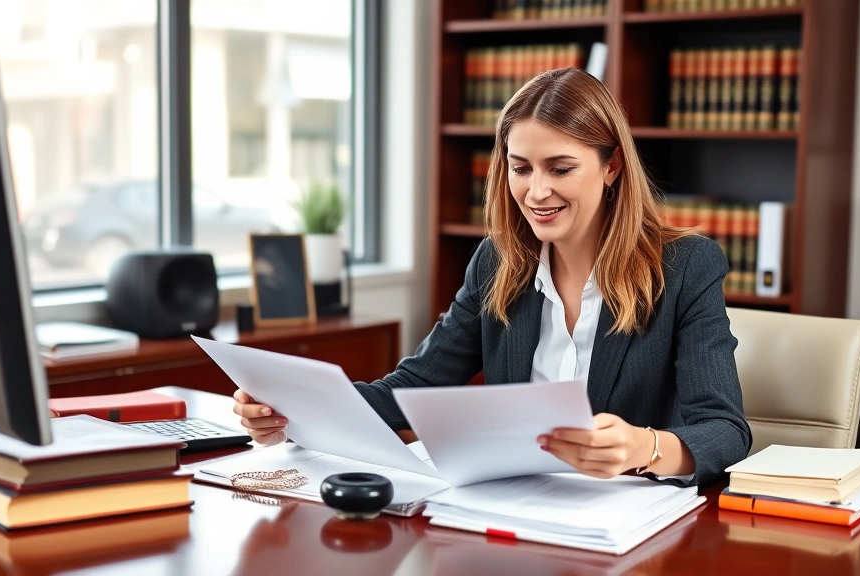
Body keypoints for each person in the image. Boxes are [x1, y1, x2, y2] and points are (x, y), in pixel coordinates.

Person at [233, 67, 752, 486]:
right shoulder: (496, 263)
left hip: (628, 522)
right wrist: (289, 410)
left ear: (611, 166)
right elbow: (414, 387)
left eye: (560, 168)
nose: (536, 191)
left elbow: (725, 430)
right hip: (512, 510)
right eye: (520, 167)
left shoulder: (686, 266)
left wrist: (645, 447)